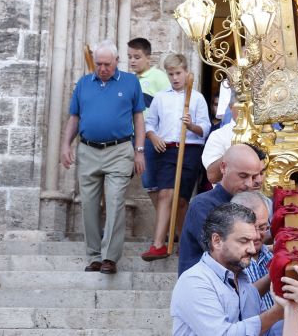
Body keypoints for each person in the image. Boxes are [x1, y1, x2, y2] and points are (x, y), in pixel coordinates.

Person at [60, 40, 146, 274]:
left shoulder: (130, 82)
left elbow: (139, 118)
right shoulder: (84, 84)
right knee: (88, 205)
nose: (102, 68)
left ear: (117, 61)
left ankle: (110, 257)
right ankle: (94, 255)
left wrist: (139, 151)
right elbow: (74, 118)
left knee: (116, 201)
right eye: (98, 64)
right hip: (87, 150)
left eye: (107, 64)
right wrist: (65, 145)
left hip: (119, 150)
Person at [170, 202, 283, 335]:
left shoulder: (243, 281)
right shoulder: (194, 281)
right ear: (217, 240)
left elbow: (268, 331)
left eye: (253, 241)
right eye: (244, 241)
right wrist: (277, 312)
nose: (252, 249)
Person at [141, 54, 211, 261]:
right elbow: (150, 123)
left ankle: (185, 242)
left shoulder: (196, 98)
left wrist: (191, 126)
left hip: (189, 150)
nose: (175, 78)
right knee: (165, 194)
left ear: (187, 73)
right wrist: (153, 137)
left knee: (181, 201)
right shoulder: (161, 97)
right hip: (166, 150)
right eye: (171, 74)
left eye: (178, 73)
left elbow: (205, 128)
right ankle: (158, 244)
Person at [178, 144, 264, 275]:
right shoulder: (202, 205)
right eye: (243, 176)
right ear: (224, 168)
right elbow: (221, 252)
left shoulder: (251, 202)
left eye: (253, 177)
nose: (249, 184)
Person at [126, 37, 170, 207]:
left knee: (151, 183)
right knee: (115, 179)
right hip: (128, 136)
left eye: (137, 57)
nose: (132, 61)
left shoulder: (159, 77)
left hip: (148, 137)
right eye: (129, 57)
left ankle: (165, 228)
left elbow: (167, 106)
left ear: (148, 58)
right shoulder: (129, 80)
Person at [231, 191, 274, 311]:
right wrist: (274, 273)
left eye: (262, 227)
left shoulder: (270, 255)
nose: (256, 235)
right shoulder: (228, 263)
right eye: (250, 228)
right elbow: (241, 304)